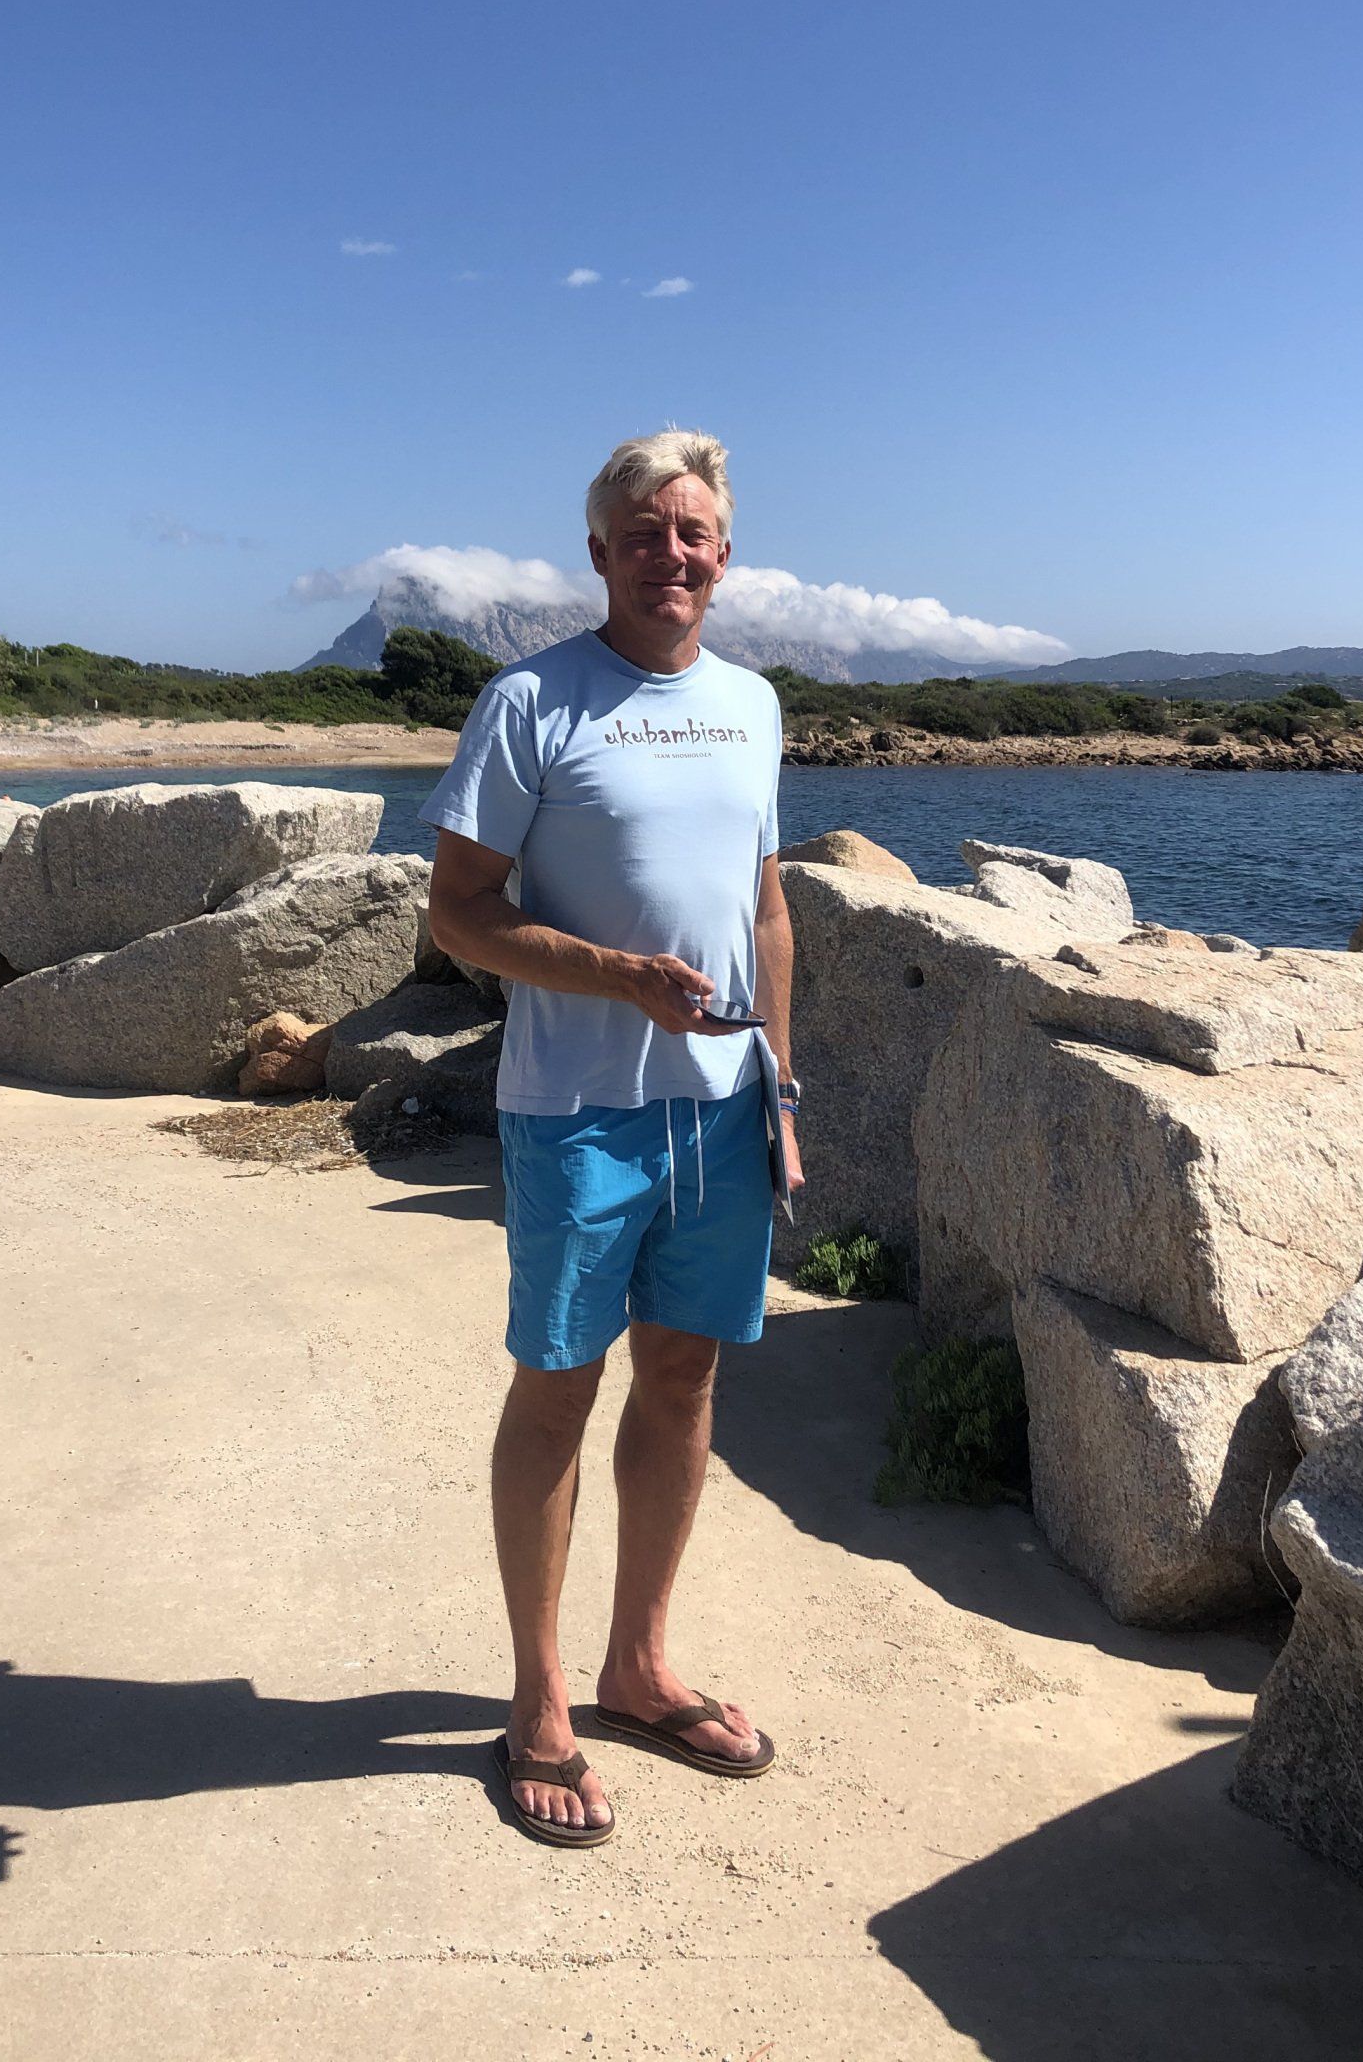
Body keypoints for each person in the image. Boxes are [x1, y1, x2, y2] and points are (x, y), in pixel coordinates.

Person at [422, 427, 803, 1849]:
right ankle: (538, 1703)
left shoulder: (753, 705)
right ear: (599, 553)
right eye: (643, 533)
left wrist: (783, 1082)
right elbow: (458, 913)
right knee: (559, 1387)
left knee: (686, 1378)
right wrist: (616, 977)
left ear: (725, 552)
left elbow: (765, 909)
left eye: (692, 531)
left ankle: (639, 1666)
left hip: (723, 1109)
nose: (670, 554)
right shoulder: (532, 701)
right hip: (578, 1109)